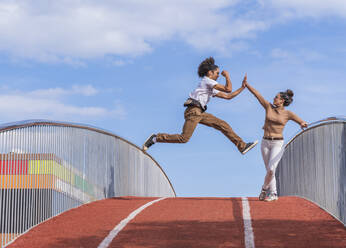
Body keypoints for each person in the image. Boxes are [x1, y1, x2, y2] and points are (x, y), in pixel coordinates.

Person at [142, 57, 258, 155]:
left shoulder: (210, 86)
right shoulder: (207, 81)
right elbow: (228, 89)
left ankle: (242, 146)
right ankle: (155, 138)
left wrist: (242, 88)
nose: (218, 76)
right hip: (193, 111)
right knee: (184, 138)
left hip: (200, 113)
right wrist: (227, 76)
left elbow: (228, 96)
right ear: (210, 73)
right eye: (217, 73)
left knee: (222, 124)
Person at [243, 75, 308, 202]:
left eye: (276, 97)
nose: (274, 98)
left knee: (272, 169)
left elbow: (300, 121)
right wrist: (247, 85)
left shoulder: (287, 114)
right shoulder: (268, 107)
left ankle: (268, 191)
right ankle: (269, 191)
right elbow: (258, 95)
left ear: (282, 100)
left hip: (278, 143)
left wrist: (302, 123)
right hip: (265, 142)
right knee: (269, 170)